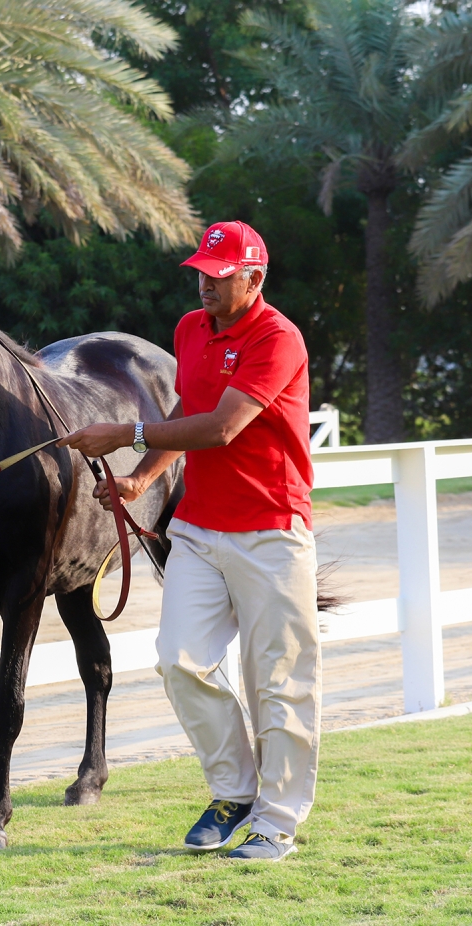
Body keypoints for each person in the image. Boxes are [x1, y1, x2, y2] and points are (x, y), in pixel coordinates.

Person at [58, 221, 319, 862]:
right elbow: (182, 413)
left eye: (220, 275)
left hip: (271, 531)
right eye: (202, 271)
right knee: (179, 660)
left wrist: (124, 433)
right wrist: (142, 477)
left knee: (277, 682)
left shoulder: (277, 338)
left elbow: (224, 428)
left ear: (253, 280)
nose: (205, 283)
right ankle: (233, 793)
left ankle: (276, 819)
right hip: (200, 528)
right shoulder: (189, 329)